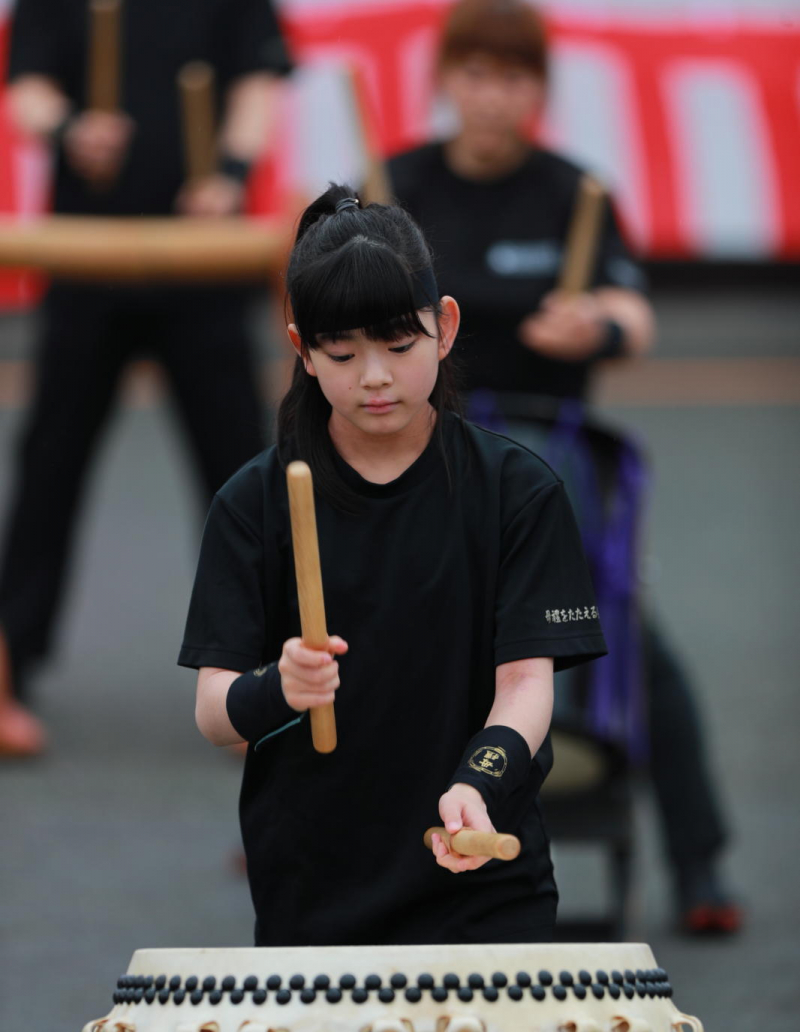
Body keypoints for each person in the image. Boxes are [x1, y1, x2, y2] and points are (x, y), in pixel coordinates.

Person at [387, 0, 741, 935]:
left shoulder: (574, 192)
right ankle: (318, 828)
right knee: (367, 638)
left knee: (625, 642)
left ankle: (700, 866)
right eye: (474, 74)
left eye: (513, 78)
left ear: (538, 91)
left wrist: (598, 325)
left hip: (547, 469)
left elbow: (635, 313)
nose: (492, 96)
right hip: (422, 456)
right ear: (445, 83)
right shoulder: (397, 185)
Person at [178, 185, 607, 946]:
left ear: (443, 328)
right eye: (342, 353)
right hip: (313, 880)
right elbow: (215, 714)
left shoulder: (517, 490)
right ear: (302, 350)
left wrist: (480, 782)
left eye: (398, 345)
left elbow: (526, 684)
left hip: (482, 877)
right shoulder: (254, 504)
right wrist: (280, 687)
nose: (374, 376)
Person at [0, 0, 292, 757]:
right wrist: (72, 130)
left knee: (241, 474)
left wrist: (227, 174)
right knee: (48, 467)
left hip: (199, 256)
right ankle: (10, 670)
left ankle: (268, 677)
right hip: (87, 254)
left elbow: (257, 83)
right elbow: (26, 85)